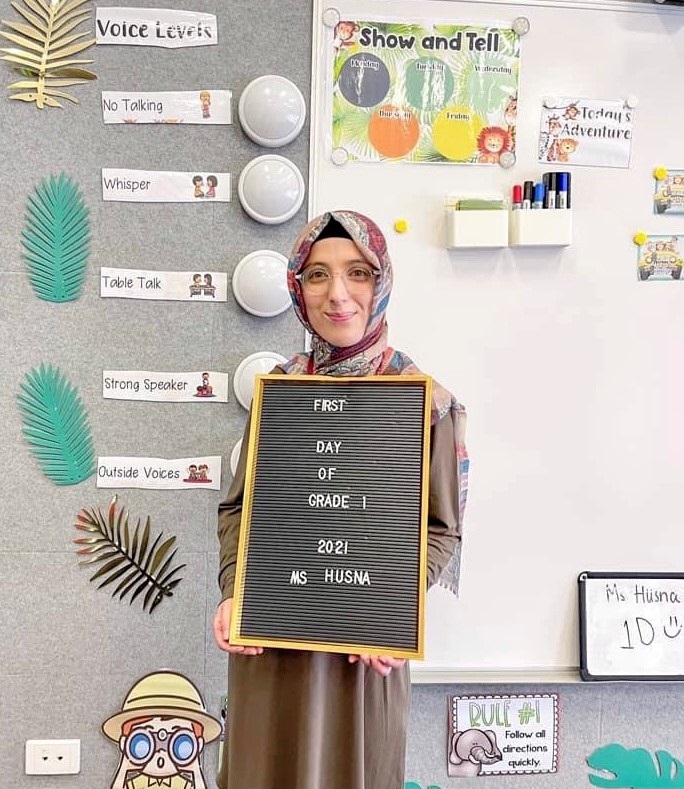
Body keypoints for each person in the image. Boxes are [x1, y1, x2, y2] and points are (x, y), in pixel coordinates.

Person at [213, 210, 469, 789]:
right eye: (317, 275)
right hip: (269, 654)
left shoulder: (424, 403)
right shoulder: (280, 391)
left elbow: (440, 530)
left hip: (364, 658)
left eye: (358, 272)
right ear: (297, 288)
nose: (338, 294)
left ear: (382, 283)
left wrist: (397, 609)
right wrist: (234, 592)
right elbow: (239, 509)